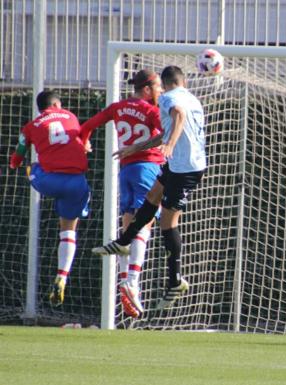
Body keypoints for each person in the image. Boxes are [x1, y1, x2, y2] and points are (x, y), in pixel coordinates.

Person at [92, 65, 206, 310]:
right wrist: (136, 148)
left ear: (163, 84)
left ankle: (174, 281)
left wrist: (171, 145)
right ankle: (124, 240)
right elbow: (166, 132)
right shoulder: (192, 98)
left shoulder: (168, 97)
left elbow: (178, 117)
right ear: (183, 80)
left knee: (168, 222)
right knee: (152, 196)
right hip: (181, 165)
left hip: (184, 169)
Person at [81, 69, 165, 318]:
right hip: (148, 167)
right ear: (147, 89)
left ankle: (124, 280)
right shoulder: (152, 111)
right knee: (145, 223)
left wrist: (85, 141)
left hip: (125, 172)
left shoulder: (117, 107)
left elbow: (86, 126)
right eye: (158, 87)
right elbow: (166, 134)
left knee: (128, 224)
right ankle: (133, 283)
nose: (161, 91)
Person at [9, 90, 91, 307]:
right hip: (77, 182)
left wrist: (15, 164)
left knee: (31, 167)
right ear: (57, 104)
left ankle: (32, 174)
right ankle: (62, 276)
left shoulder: (32, 126)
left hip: (49, 182)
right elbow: (83, 139)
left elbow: (17, 156)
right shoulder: (71, 117)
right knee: (68, 231)